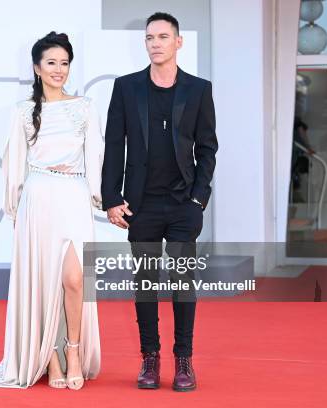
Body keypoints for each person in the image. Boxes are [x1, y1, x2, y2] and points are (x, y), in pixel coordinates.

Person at [0, 31, 103, 389]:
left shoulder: (84, 106)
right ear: (37, 68)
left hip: (74, 194)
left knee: (75, 279)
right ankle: (51, 358)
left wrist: (101, 197)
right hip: (38, 199)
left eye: (65, 63)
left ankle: (73, 349)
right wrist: (15, 210)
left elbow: (96, 157)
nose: (59, 70)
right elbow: (14, 166)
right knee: (41, 282)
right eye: (52, 63)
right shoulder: (23, 112)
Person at [101, 12, 217, 392]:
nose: (155, 43)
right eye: (150, 37)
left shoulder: (199, 90)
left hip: (184, 204)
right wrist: (112, 199)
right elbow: (114, 145)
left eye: (163, 36)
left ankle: (184, 359)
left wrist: (199, 198)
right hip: (142, 205)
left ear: (178, 42)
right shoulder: (127, 88)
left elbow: (208, 148)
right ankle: (150, 359)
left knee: (184, 281)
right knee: (146, 282)